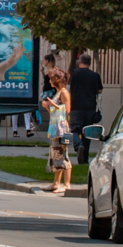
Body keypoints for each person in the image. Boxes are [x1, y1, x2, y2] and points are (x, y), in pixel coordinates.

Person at [67, 52, 103, 165]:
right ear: (90, 63)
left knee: (75, 130)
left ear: (80, 62)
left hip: (75, 107)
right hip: (90, 108)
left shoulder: (73, 74)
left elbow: (68, 89)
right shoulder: (95, 76)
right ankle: (84, 158)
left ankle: (78, 146)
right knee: (87, 133)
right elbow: (100, 91)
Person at [41, 67, 72, 195]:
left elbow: (66, 111)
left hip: (61, 128)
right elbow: (55, 113)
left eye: (51, 79)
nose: (50, 82)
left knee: (63, 155)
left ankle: (66, 184)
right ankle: (56, 182)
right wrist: (48, 107)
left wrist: (53, 105)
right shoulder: (58, 92)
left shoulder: (64, 92)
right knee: (56, 155)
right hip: (55, 127)